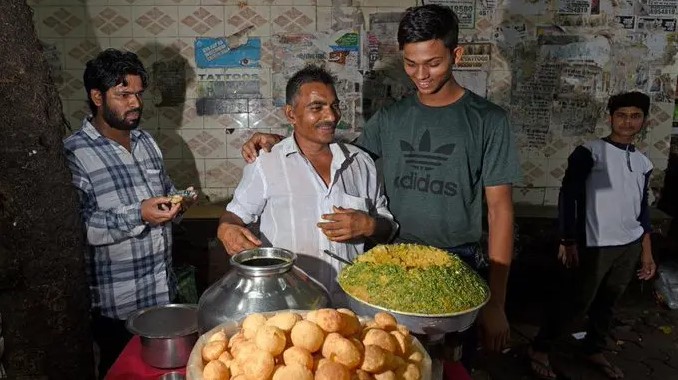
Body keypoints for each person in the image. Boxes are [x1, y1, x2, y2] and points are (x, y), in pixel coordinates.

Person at [240, 4, 521, 358]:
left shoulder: (488, 121)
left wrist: (496, 302)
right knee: (392, 357)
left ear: (457, 54)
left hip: (457, 262)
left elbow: (500, 212)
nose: (421, 74)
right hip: (391, 263)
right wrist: (280, 141)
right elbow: (336, 157)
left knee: (448, 361)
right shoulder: (390, 118)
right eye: (410, 63)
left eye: (433, 62)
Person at [63, 49, 198, 378]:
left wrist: (177, 205)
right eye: (123, 95)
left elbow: (163, 195)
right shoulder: (74, 152)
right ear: (97, 96)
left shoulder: (146, 143)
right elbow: (77, 228)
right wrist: (139, 214)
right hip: (116, 310)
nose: (135, 103)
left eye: (138, 94)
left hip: (161, 296)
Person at [216, 65, 396, 305]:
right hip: (288, 307)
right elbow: (234, 216)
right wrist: (226, 229)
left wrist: (369, 225)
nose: (331, 116)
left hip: (352, 306)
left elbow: (388, 229)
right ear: (291, 114)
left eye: (334, 106)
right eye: (317, 107)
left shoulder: (360, 163)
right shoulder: (267, 163)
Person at [527, 91, 657, 380]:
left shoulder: (643, 163)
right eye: (622, 115)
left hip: (629, 245)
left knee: (609, 301)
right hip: (594, 244)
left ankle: (593, 348)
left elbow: (642, 209)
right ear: (610, 118)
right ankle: (540, 348)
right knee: (576, 300)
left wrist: (646, 252)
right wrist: (567, 239)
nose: (628, 121)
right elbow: (569, 196)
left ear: (644, 121)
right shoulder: (590, 152)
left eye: (635, 116)